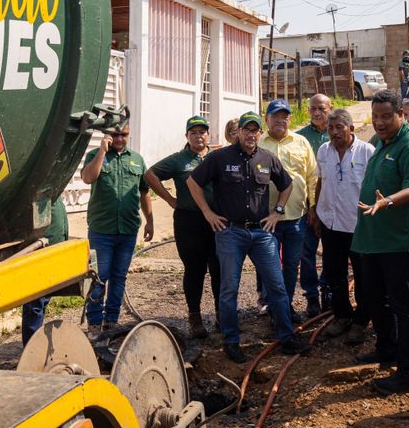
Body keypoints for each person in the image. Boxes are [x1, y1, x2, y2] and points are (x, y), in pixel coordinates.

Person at [188, 112, 313, 361]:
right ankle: (231, 341)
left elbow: (286, 184)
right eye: (247, 130)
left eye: (255, 130)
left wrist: (278, 212)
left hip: (261, 231)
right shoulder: (220, 158)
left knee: (276, 286)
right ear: (240, 132)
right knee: (229, 289)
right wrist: (207, 212)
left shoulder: (268, 158)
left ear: (259, 133)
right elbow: (193, 182)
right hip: (230, 232)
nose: (251, 134)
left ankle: (286, 336)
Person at [351, 90, 409, 396]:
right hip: (375, 239)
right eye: (375, 117)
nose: (380, 122)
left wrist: (386, 201)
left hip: (403, 240)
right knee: (373, 298)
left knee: (405, 306)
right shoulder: (379, 143)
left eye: (387, 116)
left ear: (401, 114)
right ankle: (386, 348)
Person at [145, 116, 219, 338]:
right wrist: (169, 199)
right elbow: (150, 174)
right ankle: (195, 317)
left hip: (216, 221)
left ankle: (221, 315)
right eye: (194, 132)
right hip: (189, 221)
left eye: (202, 132)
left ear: (208, 135)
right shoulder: (179, 160)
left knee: (219, 269)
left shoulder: (216, 158)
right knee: (195, 270)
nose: (199, 136)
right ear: (187, 136)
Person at [81, 124, 154, 335]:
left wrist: (149, 220)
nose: (120, 139)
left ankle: (111, 321)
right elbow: (88, 178)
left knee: (119, 277)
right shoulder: (96, 155)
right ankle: (94, 323)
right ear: (107, 135)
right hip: (102, 230)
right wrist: (103, 151)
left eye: (124, 134)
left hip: (128, 230)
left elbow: (144, 192)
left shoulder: (137, 159)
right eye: (115, 134)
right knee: (99, 277)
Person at [315, 109, 376, 342]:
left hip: (358, 225)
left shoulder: (367, 151)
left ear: (351, 128)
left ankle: (361, 321)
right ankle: (342, 316)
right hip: (330, 223)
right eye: (331, 128)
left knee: (363, 276)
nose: (334, 132)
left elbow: (374, 186)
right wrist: (315, 211)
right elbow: (320, 182)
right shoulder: (324, 151)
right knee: (334, 273)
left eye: (339, 127)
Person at [257, 99, 321, 319]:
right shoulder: (258, 143)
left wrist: (312, 207)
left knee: (292, 265)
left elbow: (312, 177)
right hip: (266, 219)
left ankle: (284, 306)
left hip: (297, 217)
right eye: (275, 116)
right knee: (270, 267)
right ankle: (275, 306)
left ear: (290, 119)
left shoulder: (301, 142)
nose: (280, 120)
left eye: (284, 116)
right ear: (267, 119)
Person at [297, 94, 334, 314]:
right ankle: (311, 295)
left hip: (333, 205)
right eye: (312, 109)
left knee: (332, 252)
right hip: (307, 207)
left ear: (330, 108)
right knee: (307, 252)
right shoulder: (300, 138)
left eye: (321, 108)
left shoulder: (339, 132)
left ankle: (328, 291)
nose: (317, 112)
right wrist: (311, 207)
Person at [21, 198, 70, 345]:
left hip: (53, 243)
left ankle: (35, 344)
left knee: (43, 300)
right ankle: (32, 348)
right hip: (40, 246)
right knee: (35, 303)